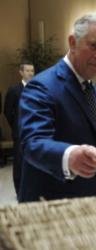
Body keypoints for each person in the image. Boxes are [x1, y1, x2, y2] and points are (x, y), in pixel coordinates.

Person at [18, 14, 96, 202]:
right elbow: (33, 142)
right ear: (72, 42)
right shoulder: (42, 86)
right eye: (94, 46)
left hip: (91, 203)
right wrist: (69, 156)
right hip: (52, 205)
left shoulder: (95, 91)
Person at [3, 61, 35, 195]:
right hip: (20, 132)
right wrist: (16, 126)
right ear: (21, 72)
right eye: (27, 71)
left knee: (34, 161)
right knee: (19, 163)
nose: (30, 73)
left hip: (35, 131)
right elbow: (7, 111)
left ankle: (33, 188)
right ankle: (19, 190)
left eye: (32, 71)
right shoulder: (14, 90)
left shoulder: (37, 88)